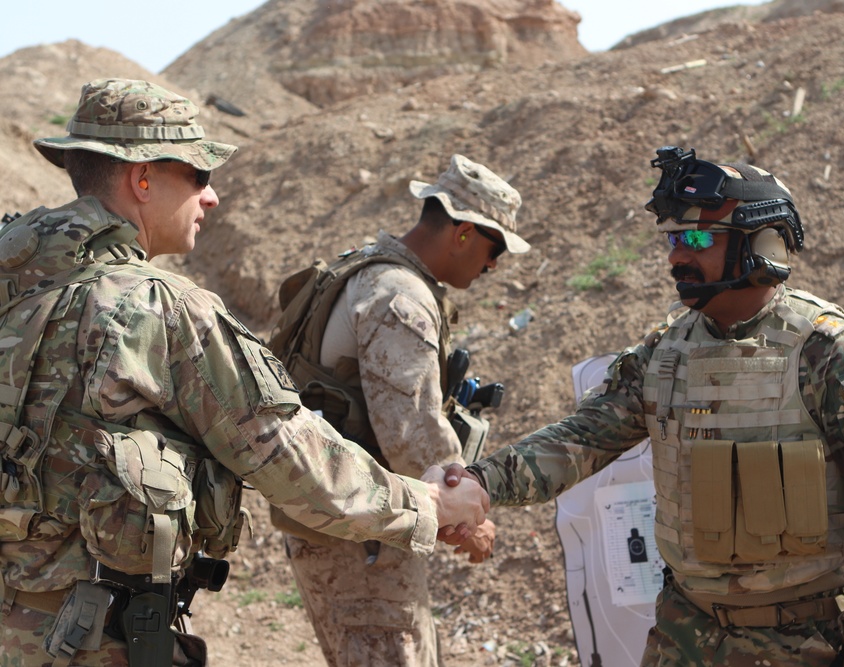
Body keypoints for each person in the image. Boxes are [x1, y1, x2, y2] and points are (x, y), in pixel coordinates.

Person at [0, 78, 488, 667]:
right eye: (199, 176)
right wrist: (430, 505)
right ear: (143, 177)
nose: (211, 197)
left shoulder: (14, 279)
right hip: (89, 640)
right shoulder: (160, 309)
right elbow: (293, 460)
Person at [447, 147, 844, 667]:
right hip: (687, 632)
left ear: (759, 244)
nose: (677, 256)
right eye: (675, 239)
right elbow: (580, 440)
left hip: (807, 638)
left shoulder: (827, 351)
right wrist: (479, 482)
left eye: (698, 239)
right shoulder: (664, 351)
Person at [270, 153, 530, 666]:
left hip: (350, 521)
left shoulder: (365, 270)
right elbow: (411, 435)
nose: (494, 264)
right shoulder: (399, 297)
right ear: (462, 232)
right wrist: (467, 519)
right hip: (361, 536)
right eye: (494, 246)